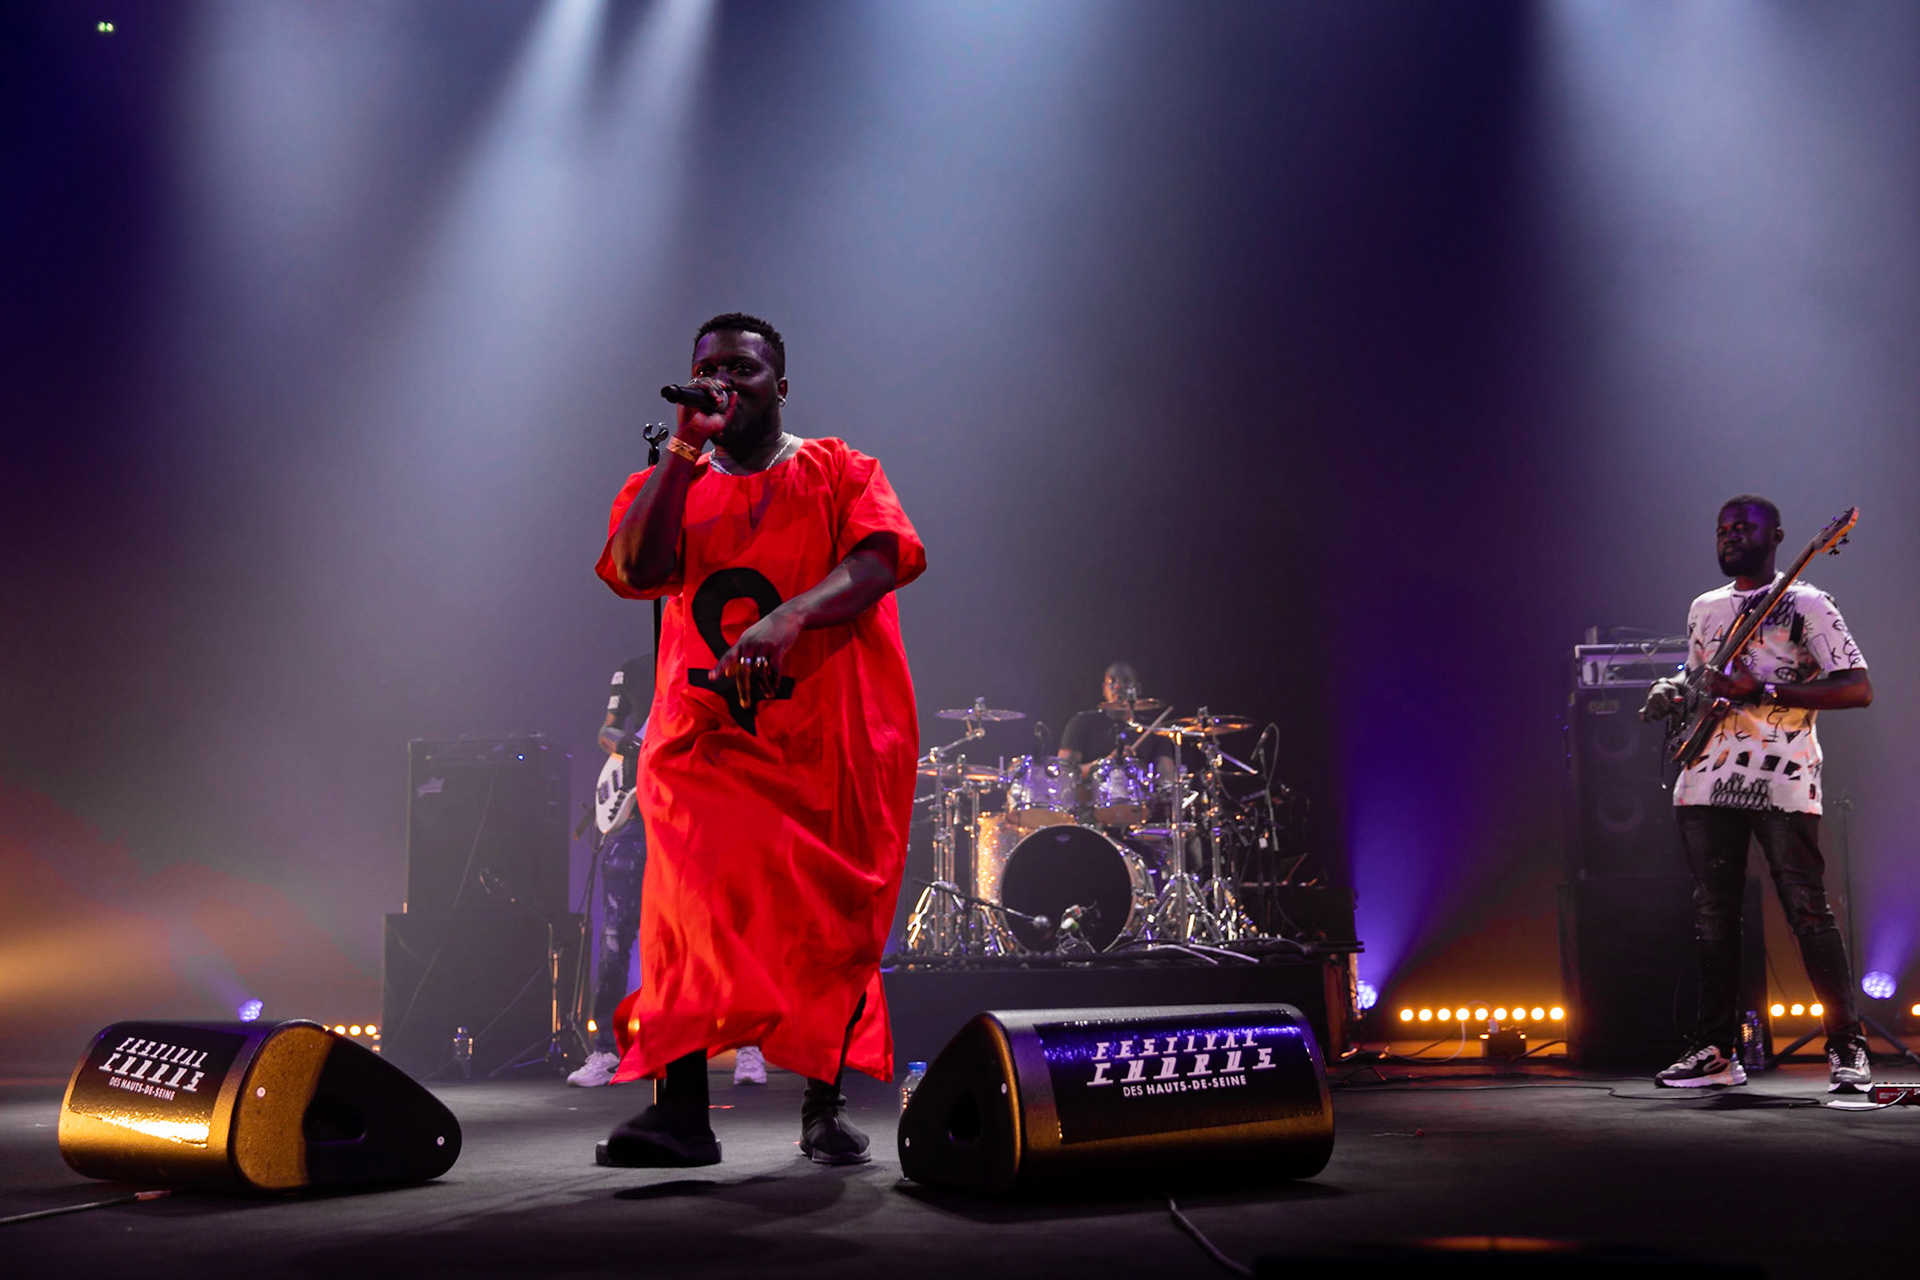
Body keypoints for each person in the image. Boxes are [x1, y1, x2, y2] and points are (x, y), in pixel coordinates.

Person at [591, 312, 924, 1166]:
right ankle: (682, 1113)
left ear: (782, 384)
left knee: (825, 923)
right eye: (708, 368)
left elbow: (883, 557)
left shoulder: (839, 468)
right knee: (687, 914)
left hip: (822, 738)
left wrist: (789, 617)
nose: (724, 381)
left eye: (742, 368)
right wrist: (678, 455)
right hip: (704, 739)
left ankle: (822, 1107)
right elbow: (634, 570)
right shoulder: (674, 475)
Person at [1641, 495, 1873, 1092]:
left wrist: (1761, 688)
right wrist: (1673, 689)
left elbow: (1857, 689)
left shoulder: (1809, 603)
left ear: (1777, 538)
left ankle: (1847, 1049)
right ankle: (1717, 1053)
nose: (1728, 538)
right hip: (1705, 775)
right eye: (1722, 529)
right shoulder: (1705, 607)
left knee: (1807, 911)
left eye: (1743, 529)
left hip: (1782, 776)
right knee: (1713, 915)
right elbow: (1702, 676)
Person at [564, 659, 767, 1089]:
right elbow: (607, 732)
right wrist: (641, 751)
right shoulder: (633, 670)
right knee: (616, 935)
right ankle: (605, 1052)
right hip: (638, 815)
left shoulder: (710, 657)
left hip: (699, 810)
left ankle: (748, 1044)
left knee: (722, 928)